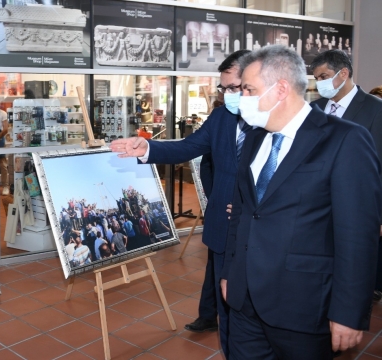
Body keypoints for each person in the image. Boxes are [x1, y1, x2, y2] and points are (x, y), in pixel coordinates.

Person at [220, 45, 381, 359]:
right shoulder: (255, 136)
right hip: (244, 300)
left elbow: (357, 236)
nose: (243, 97)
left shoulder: (345, 139)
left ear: (280, 89)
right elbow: (243, 211)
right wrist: (229, 272)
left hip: (303, 306)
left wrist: (349, 311)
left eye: (249, 89)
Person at [110, 50, 253, 356]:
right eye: (223, 88)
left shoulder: (275, 122)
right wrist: (147, 147)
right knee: (227, 310)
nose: (228, 95)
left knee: (253, 309)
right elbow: (188, 147)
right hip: (222, 227)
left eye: (234, 88)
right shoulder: (220, 117)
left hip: (260, 231)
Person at [309, 50, 382, 302]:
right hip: (315, 206)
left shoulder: (375, 110)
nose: (320, 83)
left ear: (344, 73)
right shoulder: (314, 109)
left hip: (356, 205)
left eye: (324, 76)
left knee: (352, 272)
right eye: (316, 78)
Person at [0, 95, 10, 196]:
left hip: (0, 140)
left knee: (3, 164)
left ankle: (5, 186)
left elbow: (5, 129)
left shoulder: (3, 113)